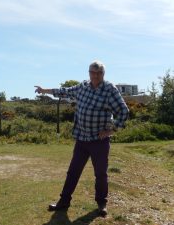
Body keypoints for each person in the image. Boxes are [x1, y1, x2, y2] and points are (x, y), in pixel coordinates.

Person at [34, 61, 129, 217]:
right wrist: (45, 90)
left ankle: (101, 204)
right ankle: (63, 202)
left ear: (103, 74)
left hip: (99, 141)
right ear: (89, 73)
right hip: (81, 139)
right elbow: (64, 91)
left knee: (100, 174)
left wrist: (111, 130)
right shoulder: (83, 86)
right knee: (73, 172)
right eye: (93, 72)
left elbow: (124, 111)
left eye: (99, 73)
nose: (95, 75)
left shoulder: (109, 90)